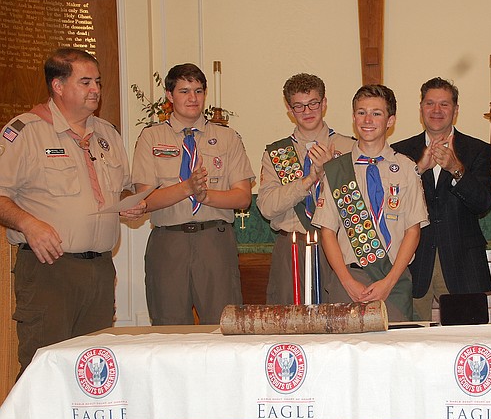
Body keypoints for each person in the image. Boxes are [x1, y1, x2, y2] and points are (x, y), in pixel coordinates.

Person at [0, 48, 146, 376]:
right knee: (45, 369)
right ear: (59, 86)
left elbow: (119, 189)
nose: (95, 89)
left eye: (97, 82)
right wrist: (29, 223)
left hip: (99, 271)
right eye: (85, 82)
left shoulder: (108, 134)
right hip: (49, 270)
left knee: (93, 370)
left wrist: (129, 203)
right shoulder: (26, 131)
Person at [132, 63, 254, 325]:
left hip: (214, 240)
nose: (192, 98)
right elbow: (144, 201)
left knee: (223, 325)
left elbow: (243, 197)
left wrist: (205, 196)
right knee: (169, 325)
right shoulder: (150, 138)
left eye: (198, 91)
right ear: (169, 95)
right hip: (169, 242)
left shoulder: (227, 137)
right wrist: (186, 188)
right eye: (184, 91)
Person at [311, 84, 429, 321]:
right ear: (354, 117)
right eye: (361, 112)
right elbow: (327, 233)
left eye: (377, 113)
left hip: (392, 278)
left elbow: (413, 231)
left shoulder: (406, 168)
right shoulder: (337, 170)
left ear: (390, 120)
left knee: (394, 353)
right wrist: (347, 281)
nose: (368, 119)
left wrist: (389, 282)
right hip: (349, 278)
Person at [392, 77, 491, 321]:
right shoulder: (400, 152)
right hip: (414, 261)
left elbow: (483, 204)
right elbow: (392, 205)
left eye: (444, 104)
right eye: (430, 104)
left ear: (455, 110)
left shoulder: (477, 150)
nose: (436, 111)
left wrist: (456, 168)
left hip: (462, 262)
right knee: (411, 342)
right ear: (421, 109)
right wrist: (419, 169)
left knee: (467, 341)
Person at [257, 73, 355, 304]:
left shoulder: (349, 147)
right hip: (292, 245)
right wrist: (309, 179)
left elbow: (356, 204)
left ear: (324, 103)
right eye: (299, 106)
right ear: (289, 110)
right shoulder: (277, 153)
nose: (307, 111)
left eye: (313, 103)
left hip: (337, 246)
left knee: (338, 318)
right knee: (288, 321)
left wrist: (331, 172)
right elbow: (267, 208)